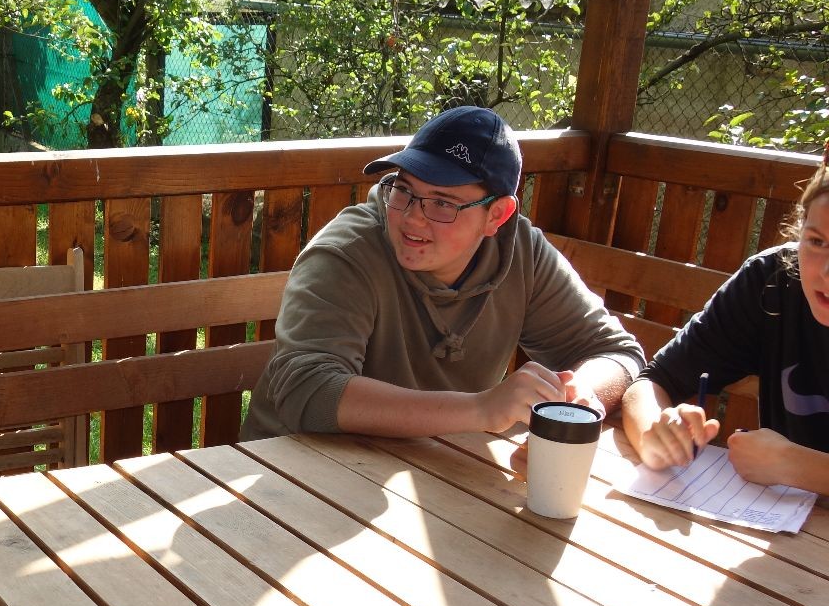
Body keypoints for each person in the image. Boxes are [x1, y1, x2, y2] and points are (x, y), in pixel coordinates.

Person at [242, 105, 645, 441]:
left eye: (442, 203)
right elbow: (309, 393)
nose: (412, 218)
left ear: (497, 215)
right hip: (294, 474)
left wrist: (579, 395)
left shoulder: (522, 252)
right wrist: (482, 409)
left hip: (433, 470)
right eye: (404, 190)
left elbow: (617, 352)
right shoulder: (346, 253)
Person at [623, 161, 829, 493]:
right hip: (779, 518)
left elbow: (793, 466)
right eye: (817, 242)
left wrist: (795, 465)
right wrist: (655, 436)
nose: (826, 273)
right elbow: (653, 381)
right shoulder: (771, 282)